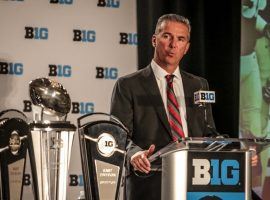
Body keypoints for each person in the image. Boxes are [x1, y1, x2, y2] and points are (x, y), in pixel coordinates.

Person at [110, 14, 215, 200]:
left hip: (194, 184)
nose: (173, 44)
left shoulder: (199, 85)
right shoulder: (127, 85)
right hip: (148, 185)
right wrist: (134, 154)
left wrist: (233, 151)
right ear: (154, 40)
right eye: (167, 36)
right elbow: (118, 136)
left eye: (181, 39)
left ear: (187, 48)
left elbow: (208, 133)